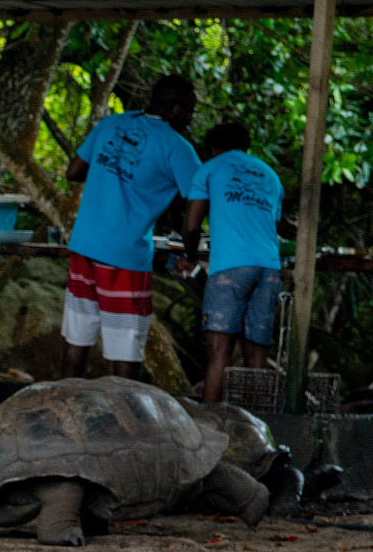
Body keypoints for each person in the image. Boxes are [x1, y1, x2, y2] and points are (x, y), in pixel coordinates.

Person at [60, 74, 201, 379]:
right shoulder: (178, 148)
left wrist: (110, 176)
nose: (191, 118)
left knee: (77, 339)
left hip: (84, 245)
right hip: (125, 255)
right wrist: (191, 249)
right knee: (125, 346)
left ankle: (66, 405)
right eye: (189, 110)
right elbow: (199, 201)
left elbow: (73, 171)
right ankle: (126, 420)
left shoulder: (111, 124)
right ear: (171, 107)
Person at [176, 122, 288, 404]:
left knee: (219, 353)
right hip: (269, 268)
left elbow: (191, 227)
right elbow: (273, 225)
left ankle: (210, 423)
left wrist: (188, 257)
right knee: (256, 354)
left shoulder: (211, 168)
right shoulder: (270, 175)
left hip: (231, 268)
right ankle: (260, 426)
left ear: (214, 148)